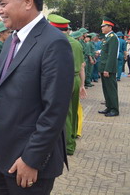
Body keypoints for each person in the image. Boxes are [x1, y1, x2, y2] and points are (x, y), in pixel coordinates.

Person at [0, 0, 73, 194]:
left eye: (3, 4)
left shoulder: (54, 42)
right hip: (3, 155)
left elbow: (54, 110)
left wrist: (32, 159)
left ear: (27, 2)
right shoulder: (12, 42)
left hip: (28, 160)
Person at [48, 14, 87, 155]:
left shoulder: (55, 42)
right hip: (76, 79)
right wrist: (82, 85)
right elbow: (82, 66)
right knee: (73, 110)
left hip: (63, 80)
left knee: (63, 114)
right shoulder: (76, 43)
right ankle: (71, 141)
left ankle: (67, 146)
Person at [97, 17, 120, 117]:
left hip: (108, 68)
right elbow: (105, 52)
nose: (102, 28)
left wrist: (107, 69)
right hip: (104, 67)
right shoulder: (107, 37)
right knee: (106, 89)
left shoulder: (113, 37)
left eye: (104, 26)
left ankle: (114, 109)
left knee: (111, 89)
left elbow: (112, 55)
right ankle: (109, 107)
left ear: (110, 27)